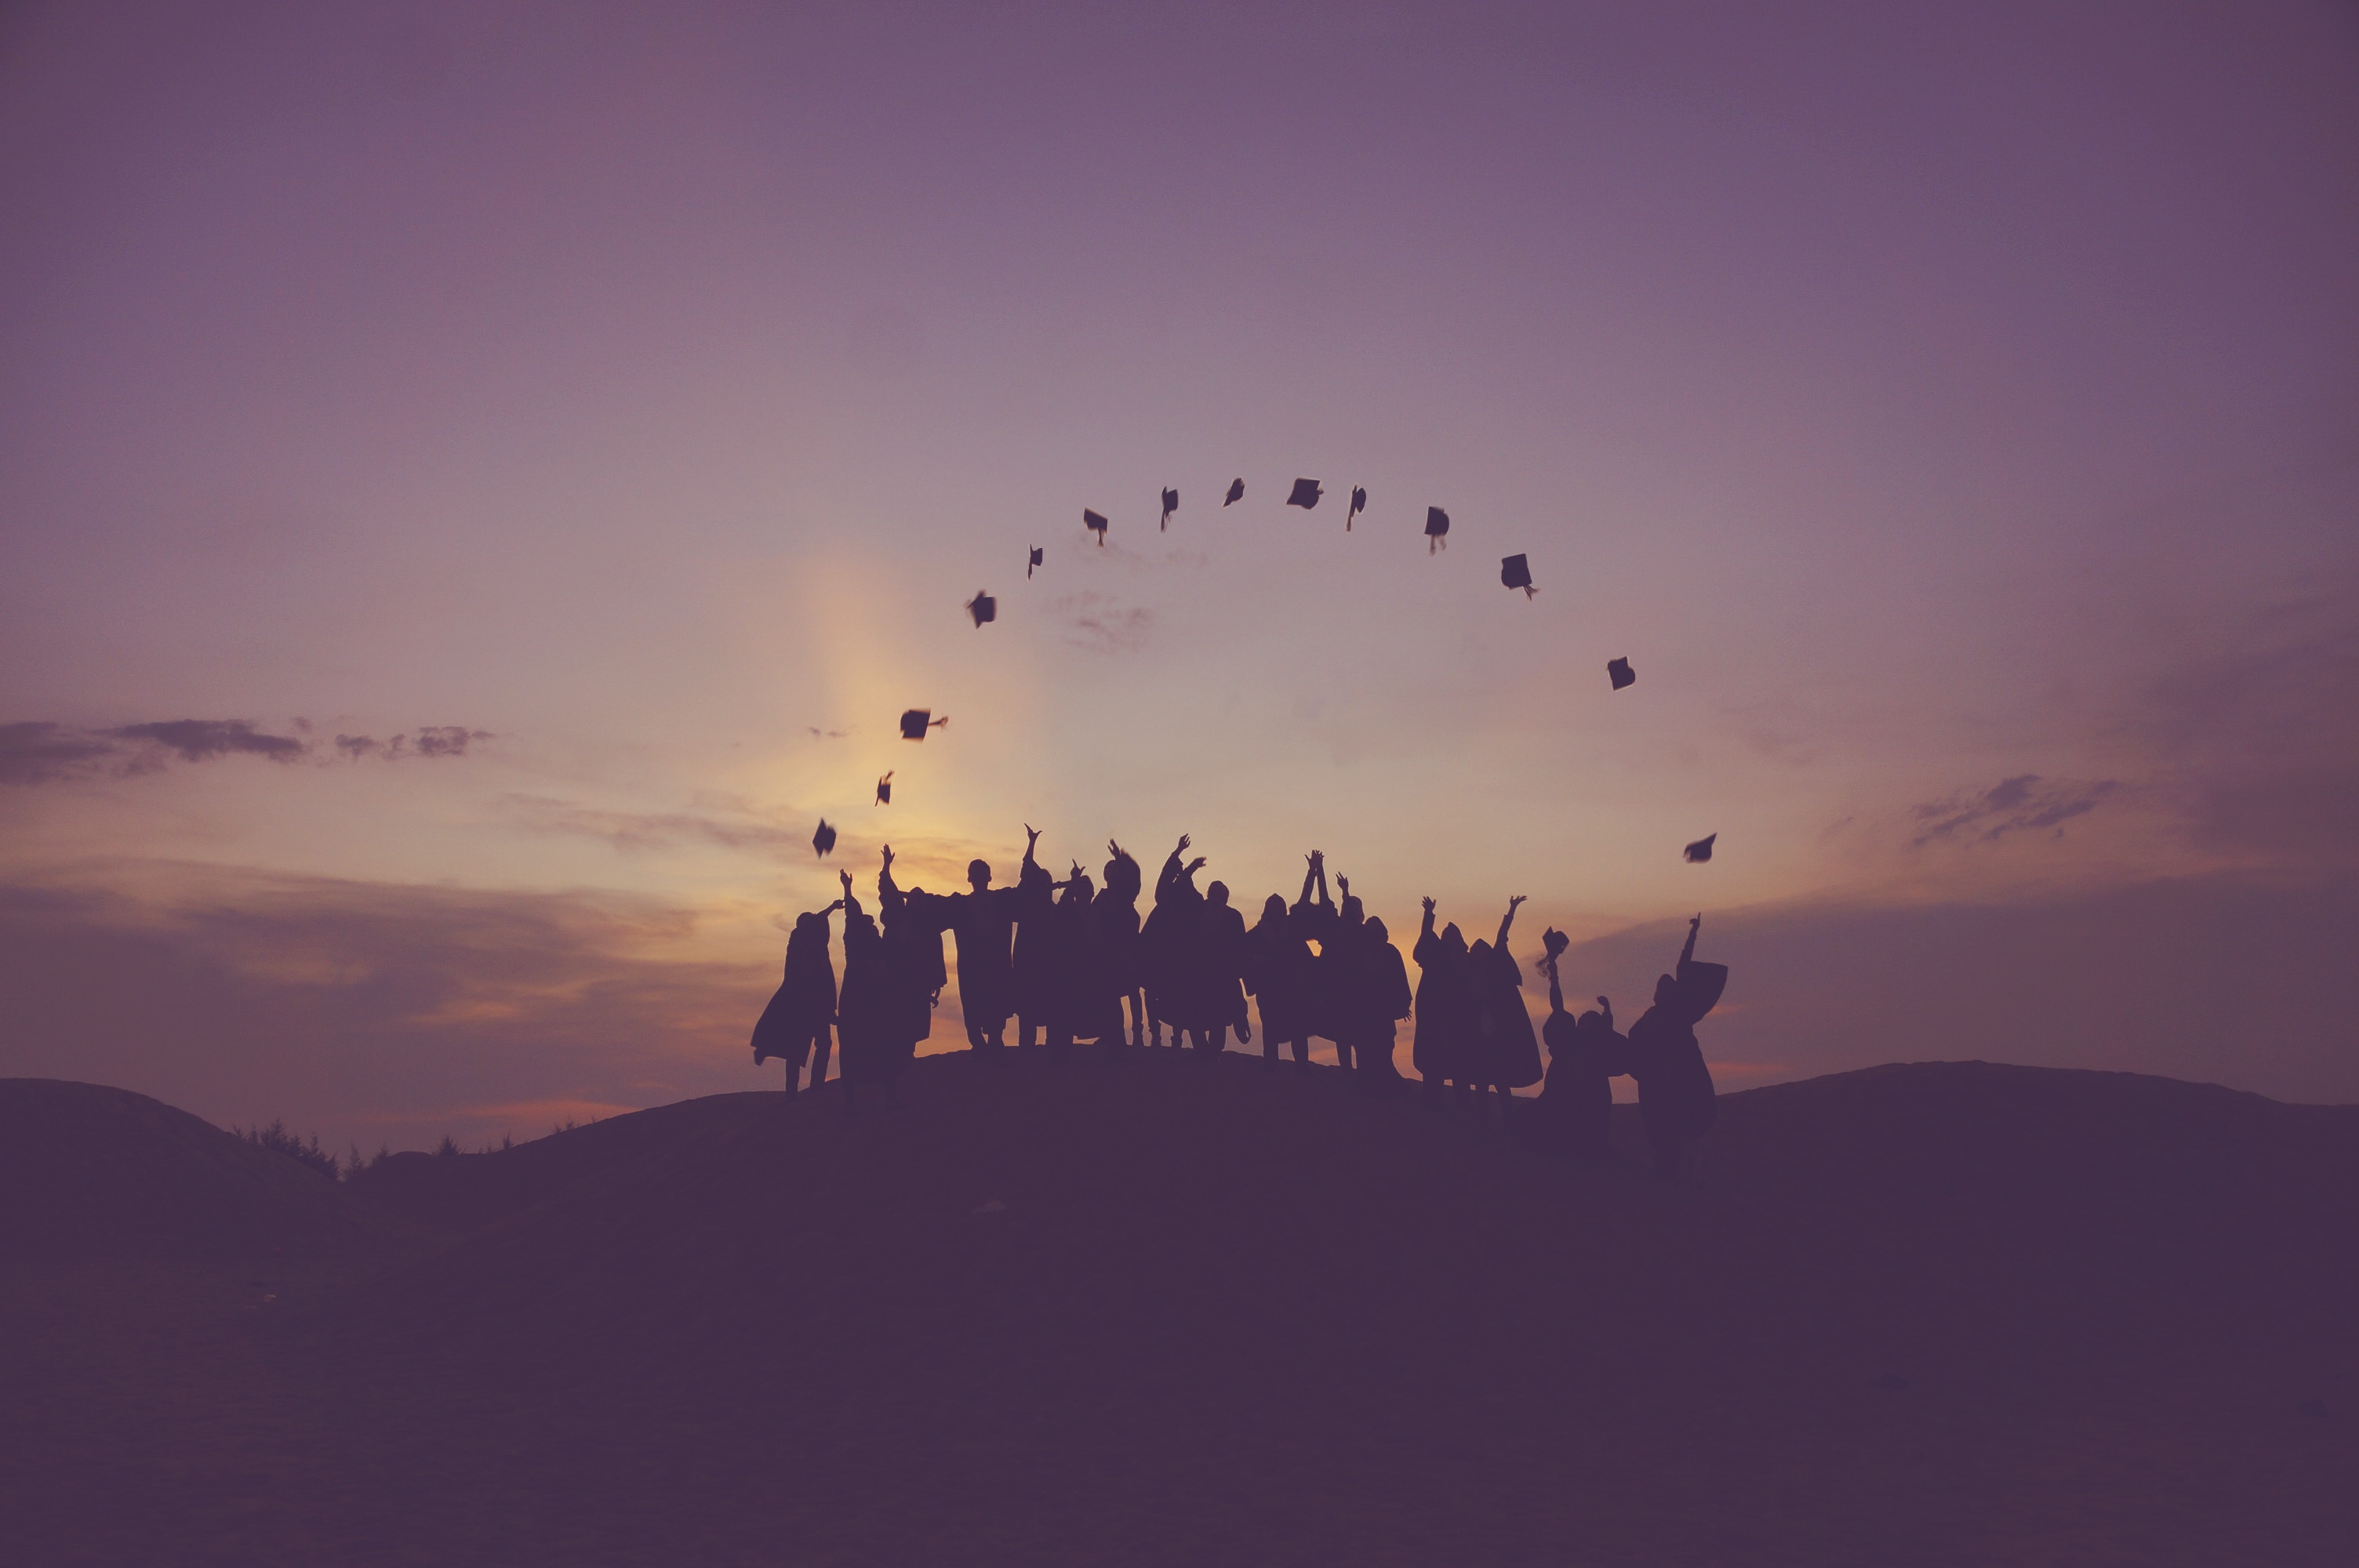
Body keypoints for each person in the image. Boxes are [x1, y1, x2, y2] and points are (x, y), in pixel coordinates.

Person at [1627, 914, 1724, 1180]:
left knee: (1684, 1128)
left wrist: (1693, 934)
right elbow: (1634, 1042)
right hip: (1657, 1081)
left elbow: (1683, 967)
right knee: (1661, 1130)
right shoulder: (1648, 1017)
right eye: (1662, 987)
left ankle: (1693, 1173)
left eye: (1668, 987)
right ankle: (1671, 1172)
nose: (1664, 990)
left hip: (1681, 1076)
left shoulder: (1679, 1010)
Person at [1528, 929, 1616, 1164]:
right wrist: (1554, 975)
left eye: (1589, 1019)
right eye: (1583, 1018)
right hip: (1560, 1091)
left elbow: (1607, 1035)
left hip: (1585, 1099)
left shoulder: (1594, 1048)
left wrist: (1607, 1012)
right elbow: (1557, 1004)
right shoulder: (1569, 1037)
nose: (1583, 1020)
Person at [1465, 896, 1543, 1130]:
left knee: (1500, 1082)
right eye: (1474, 950)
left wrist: (1511, 909)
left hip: (1498, 1035)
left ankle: (1507, 1121)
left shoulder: (1495, 967)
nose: (1477, 951)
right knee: (1480, 1083)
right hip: (1478, 1036)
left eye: (1481, 949)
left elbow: (1502, 936)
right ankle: (1483, 1124)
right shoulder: (1468, 974)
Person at [750, 897, 842, 1095]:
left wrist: (832, 908)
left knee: (818, 1045)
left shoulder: (809, 946)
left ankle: (811, 1087)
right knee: (800, 1047)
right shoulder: (801, 945)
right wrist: (831, 909)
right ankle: (798, 1090)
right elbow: (817, 920)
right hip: (804, 1006)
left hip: (815, 1006)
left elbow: (818, 918)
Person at [833, 870, 899, 1116]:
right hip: (858, 1006)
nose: (874, 929)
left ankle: (886, 1099)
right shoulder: (860, 944)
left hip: (869, 1005)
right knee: (855, 1054)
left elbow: (852, 915)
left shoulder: (873, 947)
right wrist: (848, 890)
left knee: (883, 1050)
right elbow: (852, 915)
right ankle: (855, 1106)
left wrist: (849, 890)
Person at [877, 845, 947, 1074]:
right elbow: (887, 891)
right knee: (897, 1022)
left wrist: (934, 985)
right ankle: (899, 1059)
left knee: (914, 1024)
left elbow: (934, 957)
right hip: (897, 981)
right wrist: (886, 866)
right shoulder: (898, 919)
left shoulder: (928, 929)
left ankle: (907, 1056)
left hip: (918, 985)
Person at [1143, 834, 1208, 1048]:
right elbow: (1166, 880)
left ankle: (1177, 1037)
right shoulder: (1166, 898)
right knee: (1152, 992)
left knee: (1180, 995)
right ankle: (1155, 1033)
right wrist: (1180, 854)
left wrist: (1188, 867)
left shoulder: (1193, 899)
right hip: (1161, 953)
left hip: (1183, 956)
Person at [945, 854, 1016, 1051]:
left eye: (982, 875)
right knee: (973, 1007)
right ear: (969, 879)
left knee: (996, 1006)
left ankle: (993, 1044)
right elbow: (931, 905)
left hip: (995, 966)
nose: (979, 879)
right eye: (975, 875)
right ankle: (980, 1046)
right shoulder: (959, 905)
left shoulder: (1002, 900)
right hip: (972, 968)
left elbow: (1030, 891)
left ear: (989, 878)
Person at [1412, 898, 1477, 1106]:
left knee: (1460, 1068)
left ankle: (1461, 1103)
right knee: (1434, 1067)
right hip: (1435, 1022)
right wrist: (1428, 915)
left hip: (1458, 1022)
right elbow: (1426, 939)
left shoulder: (1465, 964)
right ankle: (1434, 1101)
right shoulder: (1435, 959)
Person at [1344, 914, 1412, 1092]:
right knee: (1365, 1052)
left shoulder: (1390, 953)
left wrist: (1403, 1004)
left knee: (1383, 1052)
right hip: (1364, 1014)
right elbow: (1351, 982)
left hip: (1382, 1014)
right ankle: (1368, 1088)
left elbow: (1400, 980)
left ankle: (1383, 1089)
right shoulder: (1358, 953)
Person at [1244, 893, 1313, 1068]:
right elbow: (1243, 955)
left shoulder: (1292, 931)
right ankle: (1271, 1061)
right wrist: (1256, 959)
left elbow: (1306, 960)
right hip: (1269, 989)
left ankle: (1301, 1064)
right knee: (1270, 1025)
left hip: (1293, 989)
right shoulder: (1257, 934)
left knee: (1298, 1027)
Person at [1097, 841, 1147, 1047]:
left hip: (1127, 949)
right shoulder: (1101, 898)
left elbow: (1134, 877)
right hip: (1107, 952)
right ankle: (1111, 1035)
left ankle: (1138, 1035)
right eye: (1108, 869)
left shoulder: (1127, 894)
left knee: (1133, 992)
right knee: (1109, 995)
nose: (1111, 872)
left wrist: (1120, 857)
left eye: (1114, 868)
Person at [1010, 826, 1056, 1049]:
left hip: (1045, 967)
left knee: (1047, 1009)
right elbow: (1027, 867)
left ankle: (1048, 1049)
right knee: (1028, 1011)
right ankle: (1027, 1049)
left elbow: (1028, 868)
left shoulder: (1052, 911)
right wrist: (1032, 843)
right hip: (1027, 965)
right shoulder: (1028, 907)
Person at [1198, 880, 1251, 1054]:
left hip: (1223, 974)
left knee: (1218, 1015)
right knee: (1200, 1011)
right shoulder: (1198, 912)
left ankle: (1213, 1051)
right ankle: (1203, 1049)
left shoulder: (1233, 916)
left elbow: (1241, 947)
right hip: (1203, 971)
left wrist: (1237, 971)